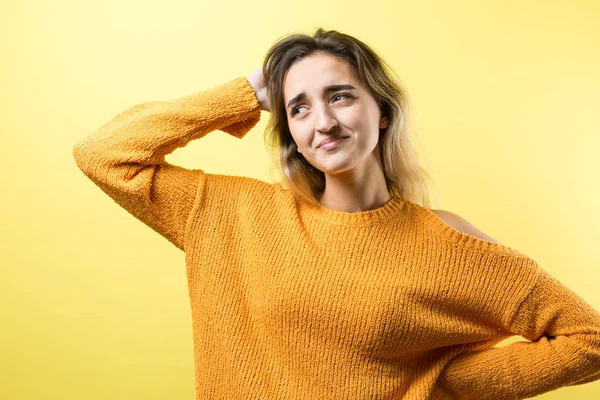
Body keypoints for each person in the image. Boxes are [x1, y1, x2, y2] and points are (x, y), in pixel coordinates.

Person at [72, 28, 600, 399]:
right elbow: (105, 153)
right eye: (298, 107)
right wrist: (249, 92)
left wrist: (447, 383)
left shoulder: (447, 243)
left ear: (383, 112)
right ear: (293, 139)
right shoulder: (233, 214)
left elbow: (588, 341)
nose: (322, 121)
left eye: (341, 96)